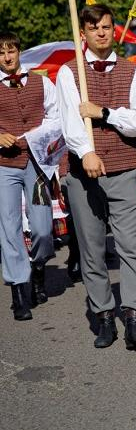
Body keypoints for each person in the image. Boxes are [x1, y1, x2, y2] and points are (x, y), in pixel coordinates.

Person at [55, 4, 136, 349]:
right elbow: (69, 121)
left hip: (125, 168)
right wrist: (86, 151)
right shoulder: (68, 72)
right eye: (93, 27)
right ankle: (104, 316)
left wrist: (104, 113)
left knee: (130, 246)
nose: (100, 33)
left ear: (115, 31)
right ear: (83, 32)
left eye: (107, 27)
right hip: (84, 173)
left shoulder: (133, 72)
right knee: (93, 250)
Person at [0, 32, 59, 320]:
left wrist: (36, 137)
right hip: (3, 166)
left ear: (19, 52)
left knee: (43, 228)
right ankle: (18, 291)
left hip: (36, 165)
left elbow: (56, 117)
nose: (7, 57)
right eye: (1, 53)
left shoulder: (41, 82)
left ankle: (37, 268)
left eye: (11, 51)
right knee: (9, 227)